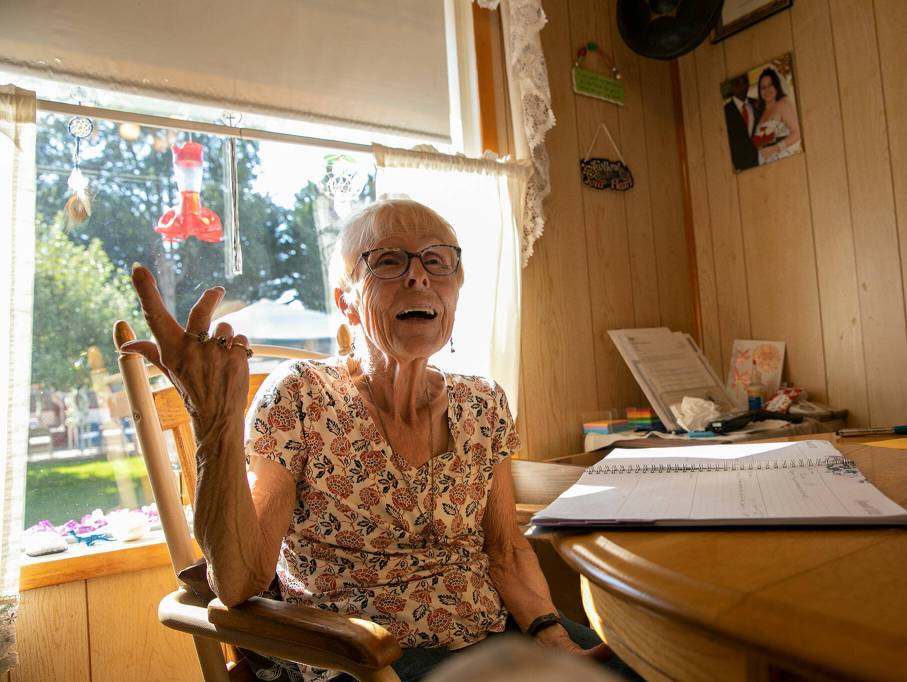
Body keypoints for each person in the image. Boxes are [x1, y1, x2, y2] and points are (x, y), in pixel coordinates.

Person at [122, 199, 641, 682]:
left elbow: (504, 550)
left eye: (439, 261)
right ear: (346, 302)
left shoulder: (482, 402)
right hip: (361, 656)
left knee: (654, 664)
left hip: (497, 636)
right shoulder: (303, 395)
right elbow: (237, 583)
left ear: (456, 291)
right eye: (388, 261)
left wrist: (551, 635)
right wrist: (213, 418)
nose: (419, 274)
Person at [751, 67, 802, 165]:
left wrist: (774, 149)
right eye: (763, 87)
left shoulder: (784, 104)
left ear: (776, 85)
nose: (767, 90)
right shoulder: (759, 112)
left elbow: (797, 132)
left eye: (770, 85)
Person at [724, 73, 760, 171]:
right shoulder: (724, 112)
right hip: (740, 169)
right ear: (732, 86)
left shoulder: (757, 104)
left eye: (745, 82)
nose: (742, 86)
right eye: (738, 83)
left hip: (761, 163)